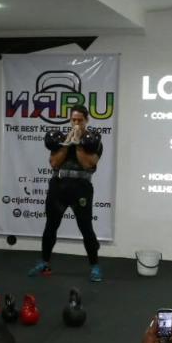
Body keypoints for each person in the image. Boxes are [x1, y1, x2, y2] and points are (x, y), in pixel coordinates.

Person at [28, 104, 104, 283]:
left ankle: (95, 266)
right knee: (50, 226)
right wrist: (68, 142)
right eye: (73, 120)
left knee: (86, 228)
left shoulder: (94, 141)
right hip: (59, 186)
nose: (76, 123)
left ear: (87, 120)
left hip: (81, 189)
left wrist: (77, 144)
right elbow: (54, 163)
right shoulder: (60, 139)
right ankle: (44, 263)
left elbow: (87, 164)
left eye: (80, 120)